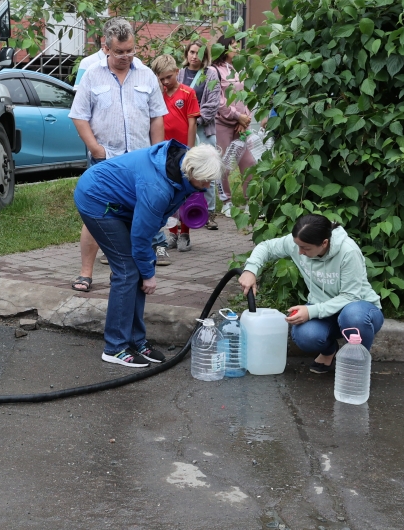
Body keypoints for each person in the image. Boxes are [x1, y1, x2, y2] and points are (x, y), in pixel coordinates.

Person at [74, 142, 222, 367]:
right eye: (205, 180)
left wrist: (146, 268)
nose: (208, 185)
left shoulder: (182, 166)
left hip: (122, 201)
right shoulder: (157, 187)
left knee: (136, 269)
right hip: (96, 198)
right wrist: (149, 273)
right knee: (127, 270)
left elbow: (152, 224)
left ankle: (135, 339)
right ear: (191, 172)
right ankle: (115, 347)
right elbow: (141, 238)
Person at [68, 18, 167, 291]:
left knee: (138, 216)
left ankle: (127, 272)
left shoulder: (146, 75)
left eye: (130, 50)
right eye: (119, 52)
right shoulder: (91, 74)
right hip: (106, 161)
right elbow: (79, 117)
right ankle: (85, 272)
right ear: (106, 48)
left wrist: (156, 154)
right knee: (96, 215)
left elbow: (157, 118)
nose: (125, 57)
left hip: (140, 160)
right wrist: (96, 150)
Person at [238, 214, 384, 374]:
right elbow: (266, 247)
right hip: (325, 310)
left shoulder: (348, 252)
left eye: (306, 248)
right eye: (297, 246)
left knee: (353, 316)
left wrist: (311, 311)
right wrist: (250, 269)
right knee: (305, 335)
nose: (299, 252)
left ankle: (358, 366)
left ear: (324, 243)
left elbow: (350, 297)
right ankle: (329, 351)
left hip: (360, 310)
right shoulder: (298, 244)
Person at [149, 54, 200, 252]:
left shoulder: (188, 93)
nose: (165, 82)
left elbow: (192, 122)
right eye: (161, 78)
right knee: (168, 195)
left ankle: (185, 234)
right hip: (163, 151)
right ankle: (172, 233)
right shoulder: (157, 94)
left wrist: (189, 150)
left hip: (182, 151)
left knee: (184, 193)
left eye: (168, 77)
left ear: (177, 72)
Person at [208, 36, 257, 217]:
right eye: (233, 45)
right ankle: (226, 201)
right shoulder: (215, 70)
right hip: (223, 124)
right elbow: (219, 102)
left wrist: (246, 119)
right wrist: (237, 116)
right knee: (224, 165)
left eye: (238, 45)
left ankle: (250, 201)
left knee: (249, 162)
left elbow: (248, 95)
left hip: (241, 126)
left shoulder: (240, 68)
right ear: (224, 47)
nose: (237, 48)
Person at [182, 41, 222, 230]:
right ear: (186, 53)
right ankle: (187, 212)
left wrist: (193, 120)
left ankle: (210, 212)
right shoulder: (180, 73)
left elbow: (213, 104)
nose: (194, 56)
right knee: (186, 170)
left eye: (198, 53)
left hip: (202, 128)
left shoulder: (211, 73)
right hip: (183, 129)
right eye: (191, 52)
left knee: (208, 171)